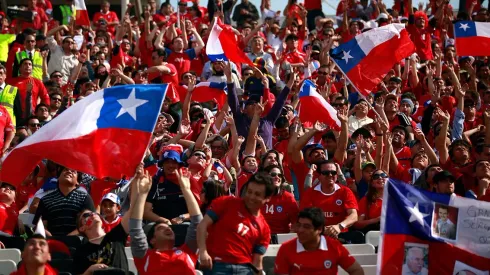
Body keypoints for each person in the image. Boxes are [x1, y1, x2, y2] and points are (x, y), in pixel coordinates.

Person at [130, 163, 203, 274]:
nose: (168, 228)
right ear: (152, 240)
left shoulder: (188, 251)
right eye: (160, 228)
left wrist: (186, 189)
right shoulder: (144, 257)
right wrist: (142, 194)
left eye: (168, 228)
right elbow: (135, 227)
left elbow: (198, 223)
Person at [197, 172, 274, 275]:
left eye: (257, 194)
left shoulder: (264, 228)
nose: (251, 197)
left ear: (267, 198)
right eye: (249, 191)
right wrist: (203, 252)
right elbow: (202, 225)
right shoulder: (226, 203)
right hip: (217, 264)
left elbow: (257, 263)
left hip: (245, 268)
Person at [274, 207, 364, 275]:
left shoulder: (334, 246)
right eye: (299, 225)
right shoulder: (286, 249)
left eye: (306, 226)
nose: (300, 230)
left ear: (320, 229)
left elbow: (356, 270)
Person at [300, 160, 358, 238]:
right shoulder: (310, 193)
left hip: (341, 235)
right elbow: (305, 218)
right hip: (317, 235)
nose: (330, 175)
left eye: (333, 172)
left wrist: (339, 226)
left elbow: (354, 215)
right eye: (326, 173)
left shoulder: (345, 191)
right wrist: (322, 230)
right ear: (319, 176)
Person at [33, 166, 95, 236]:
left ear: (77, 181)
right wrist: (50, 236)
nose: (69, 171)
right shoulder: (45, 200)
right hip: (51, 243)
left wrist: (69, 237)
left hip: (77, 243)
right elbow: (40, 225)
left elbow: (90, 223)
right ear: (58, 177)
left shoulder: (85, 198)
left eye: (73, 171)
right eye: (65, 170)